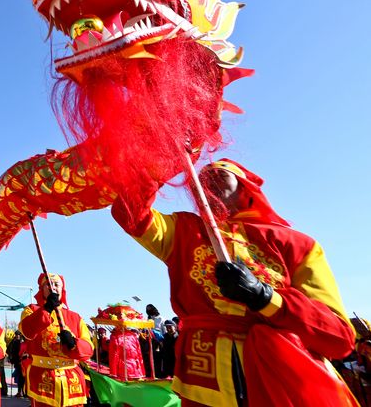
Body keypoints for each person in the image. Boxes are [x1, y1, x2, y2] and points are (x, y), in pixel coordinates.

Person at [111, 158, 357, 406]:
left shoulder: (297, 244)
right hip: (204, 385)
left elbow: (339, 337)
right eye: (202, 182)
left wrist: (265, 297)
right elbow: (128, 212)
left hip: (286, 382)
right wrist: (167, 159)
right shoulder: (184, 230)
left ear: (245, 187)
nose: (210, 185)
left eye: (220, 177)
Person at [18, 273, 93, 407]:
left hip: (72, 380)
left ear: (62, 289)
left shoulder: (75, 317)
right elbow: (27, 331)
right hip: (42, 377)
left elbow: (89, 348)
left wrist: (74, 344)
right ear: (42, 289)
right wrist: (46, 309)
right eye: (48, 284)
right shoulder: (31, 310)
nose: (53, 287)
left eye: (56, 284)